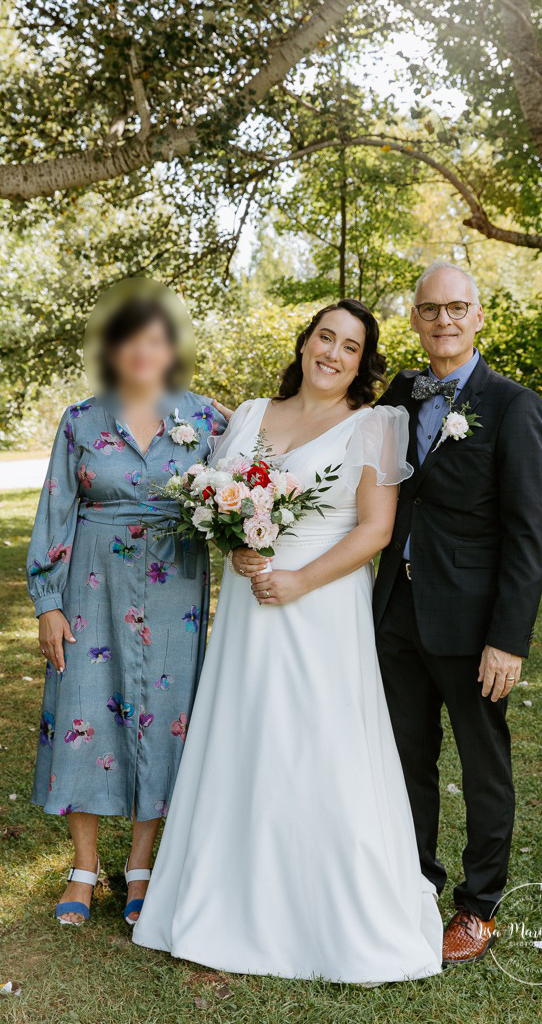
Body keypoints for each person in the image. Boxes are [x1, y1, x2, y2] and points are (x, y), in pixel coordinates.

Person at [132, 298, 443, 983]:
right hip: (249, 604)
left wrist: (300, 580)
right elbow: (220, 501)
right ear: (304, 344)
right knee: (243, 736)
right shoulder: (247, 416)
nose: (332, 353)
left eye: (350, 347)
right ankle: (224, 900)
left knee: (317, 744)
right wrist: (235, 545)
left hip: (321, 604)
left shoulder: (375, 425)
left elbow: (375, 530)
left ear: (363, 363)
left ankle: (324, 914)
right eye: (323, 338)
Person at [374, 262, 542, 965]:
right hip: (394, 610)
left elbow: (527, 532)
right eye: (429, 309)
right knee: (405, 757)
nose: (443, 320)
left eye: (457, 308)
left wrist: (506, 640)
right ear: (415, 321)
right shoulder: (399, 393)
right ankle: (416, 884)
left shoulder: (511, 405)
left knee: (482, 763)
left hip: (474, 622)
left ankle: (477, 907)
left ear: (478, 316)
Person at [26, 295, 225, 926]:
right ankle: (83, 869)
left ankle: (141, 869)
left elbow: (250, 482)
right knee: (85, 710)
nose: (143, 351)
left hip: (175, 591)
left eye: (156, 340)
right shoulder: (81, 420)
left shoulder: (205, 421)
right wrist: (47, 602)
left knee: (166, 719)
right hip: (91, 584)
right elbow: (55, 508)